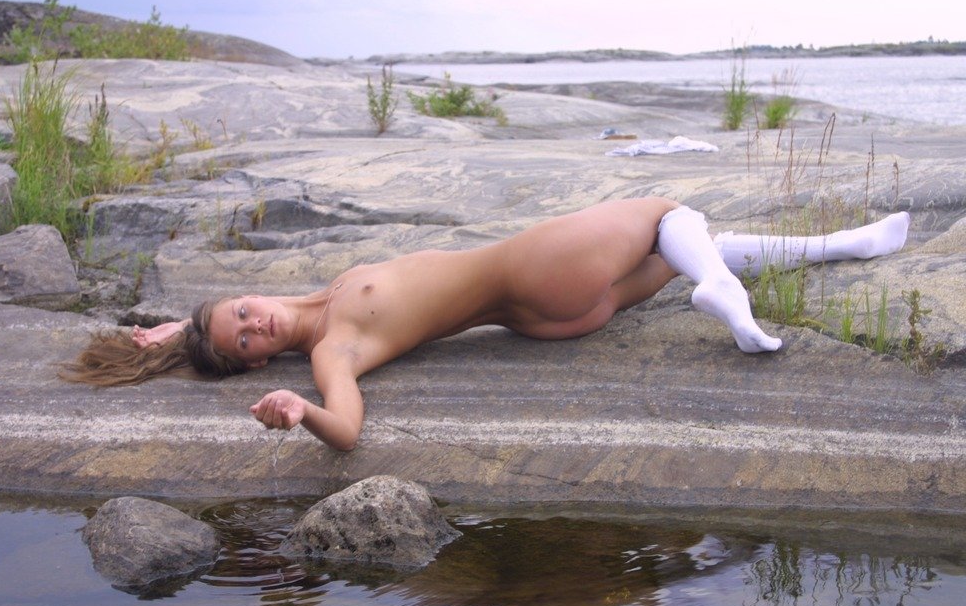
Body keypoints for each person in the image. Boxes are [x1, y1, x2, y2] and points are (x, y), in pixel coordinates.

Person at [62, 198, 911, 450]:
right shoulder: (332, 350)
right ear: (257, 365)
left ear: (249, 293)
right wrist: (303, 413)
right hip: (535, 270)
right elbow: (348, 431)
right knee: (667, 213)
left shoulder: (322, 302)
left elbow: (235, 321)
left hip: (551, 317)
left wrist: (176, 334)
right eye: (246, 340)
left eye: (242, 310)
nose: (256, 323)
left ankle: (847, 245)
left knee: (690, 244)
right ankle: (723, 293)